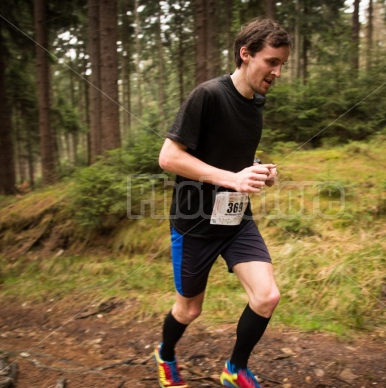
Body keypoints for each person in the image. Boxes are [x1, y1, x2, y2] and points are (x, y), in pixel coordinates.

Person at [154, 18, 291, 388]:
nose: (278, 72)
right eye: (272, 62)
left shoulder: (256, 103)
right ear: (245, 55)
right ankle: (165, 354)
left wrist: (258, 169)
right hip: (194, 223)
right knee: (189, 309)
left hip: (235, 219)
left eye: (282, 64)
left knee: (267, 296)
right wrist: (232, 178)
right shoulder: (208, 95)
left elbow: (233, 155)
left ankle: (235, 369)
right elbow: (168, 157)